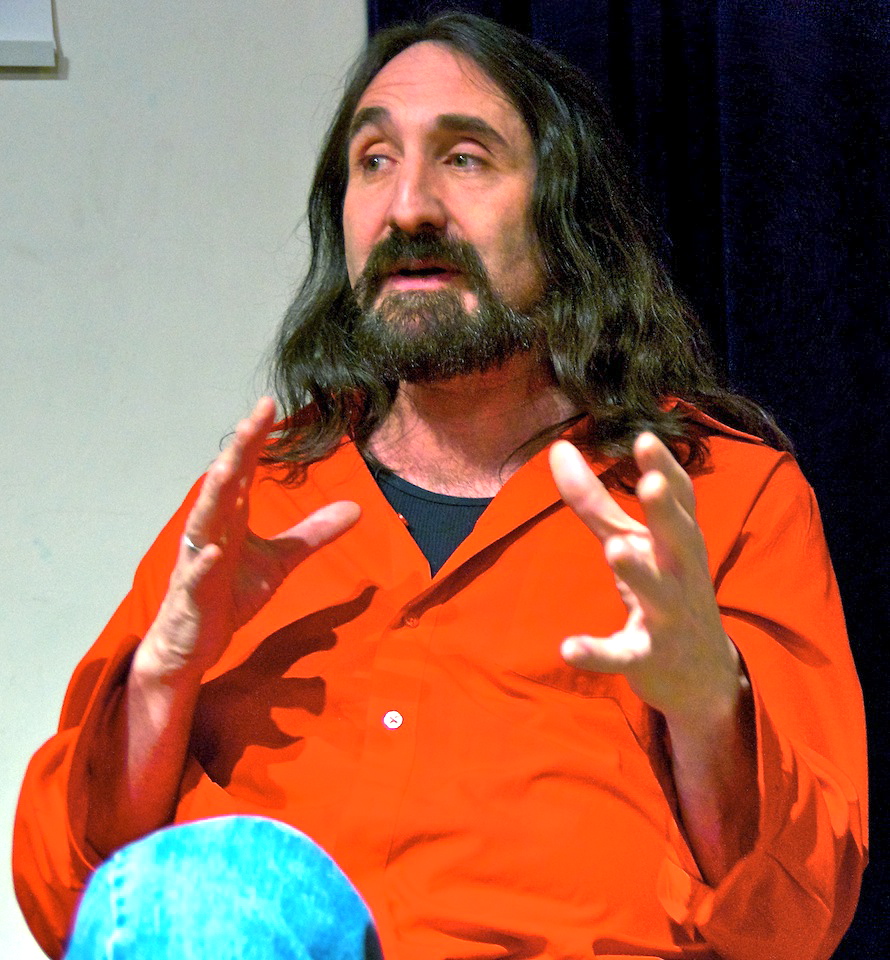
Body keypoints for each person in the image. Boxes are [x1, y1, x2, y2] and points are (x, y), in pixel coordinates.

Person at [13, 12, 867, 960]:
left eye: (465, 158)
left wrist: (710, 706)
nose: (408, 206)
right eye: (374, 161)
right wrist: (165, 679)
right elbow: (67, 895)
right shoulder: (263, 497)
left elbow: (796, 921)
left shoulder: (722, 494)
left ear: (566, 214)